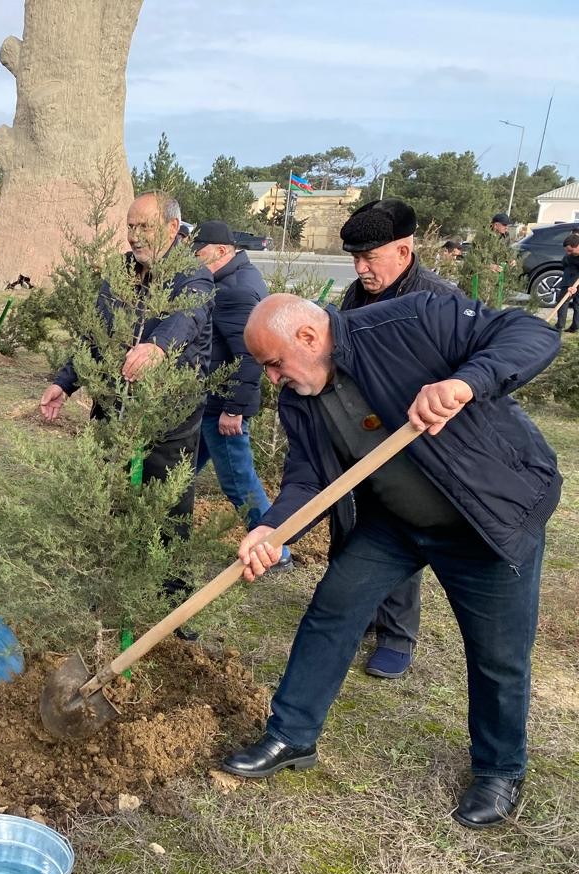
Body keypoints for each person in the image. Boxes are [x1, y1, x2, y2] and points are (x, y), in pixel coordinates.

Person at [222, 292, 559, 830]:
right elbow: (309, 478)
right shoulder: (300, 400)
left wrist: (464, 383)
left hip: (486, 520)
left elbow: (531, 333)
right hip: (396, 524)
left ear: (308, 337)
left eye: (275, 363)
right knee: (333, 610)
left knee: (498, 655)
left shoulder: (411, 321)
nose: (272, 378)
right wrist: (272, 527)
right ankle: (291, 735)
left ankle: (499, 770)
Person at [39, 191, 213, 546]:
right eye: (130, 227)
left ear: (172, 228)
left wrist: (158, 346)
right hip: (114, 408)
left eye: (144, 227)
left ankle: (168, 576)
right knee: (109, 497)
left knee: (166, 509)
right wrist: (65, 382)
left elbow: (189, 316)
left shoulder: (193, 275)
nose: (134, 236)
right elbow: (96, 333)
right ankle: (111, 563)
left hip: (167, 417)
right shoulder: (121, 271)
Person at [338, 197, 458, 678]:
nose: (360, 269)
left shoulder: (439, 299)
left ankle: (396, 633)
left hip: (414, 441)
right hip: (362, 433)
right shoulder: (356, 295)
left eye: (370, 258)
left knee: (399, 534)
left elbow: (464, 372)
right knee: (353, 528)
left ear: (404, 252)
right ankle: (360, 613)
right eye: (355, 258)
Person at [189, 219, 290, 571]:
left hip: (222, 407)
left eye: (198, 251)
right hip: (209, 403)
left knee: (238, 481)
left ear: (221, 250)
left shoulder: (235, 290)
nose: (192, 257)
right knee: (181, 470)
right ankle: (161, 522)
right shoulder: (235, 277)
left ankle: (275, 550)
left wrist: (234, 409)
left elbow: (249, 355)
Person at [556, 233, 579, 333]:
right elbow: (564, 263)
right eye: (567, 251)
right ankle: (561, 326)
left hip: (575, 280)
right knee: (563, 301)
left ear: (577, 246)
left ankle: (574, 326)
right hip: (569, 277)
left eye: (570, 250)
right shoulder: (569, 256)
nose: (568, 253)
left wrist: (574, 286)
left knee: (576, 304)